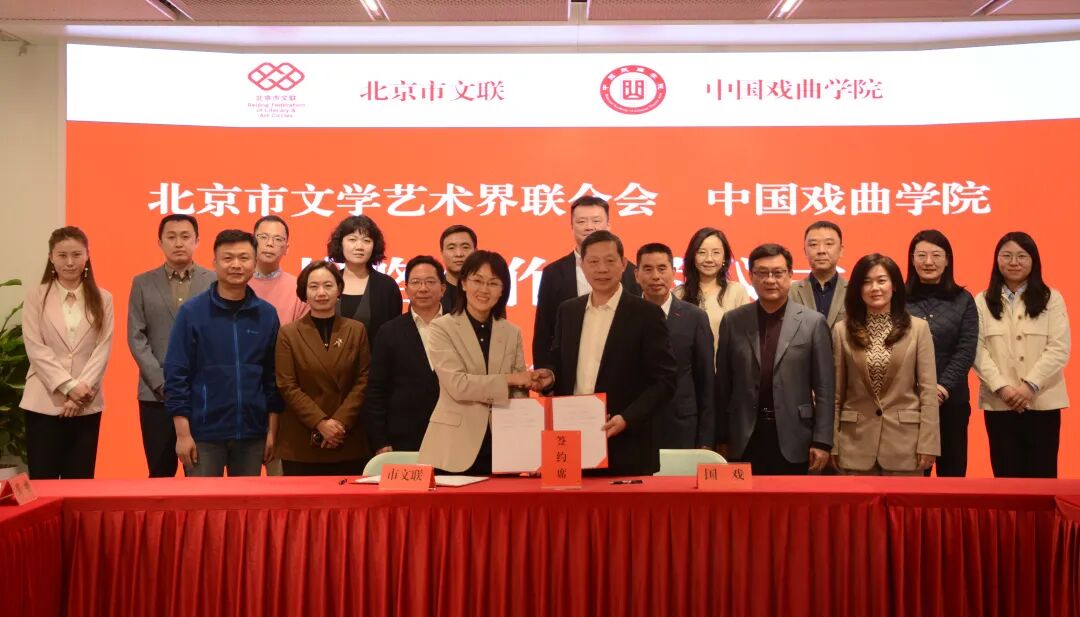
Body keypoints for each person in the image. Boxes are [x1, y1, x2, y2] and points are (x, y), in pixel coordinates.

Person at [541, 231, 677, 476]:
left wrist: (627, 418)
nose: (601, 269)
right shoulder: (568, 311)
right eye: (593, 261)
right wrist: (549, 376)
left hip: (626, 445)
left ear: (623, 264)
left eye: (610, 260)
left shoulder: (646, 314)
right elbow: (559, 364)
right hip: (571, 442)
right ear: (582, 266)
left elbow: (665, 381)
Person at [165, 230, 283, 477]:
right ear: (215, 263)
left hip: (252, 434)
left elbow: (273, 378)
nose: (236, 265)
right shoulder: (192, 312)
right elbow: (176, 376)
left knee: (246, 502)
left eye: (244, 258)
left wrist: (272, 431)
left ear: (254, 262)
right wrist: (182, 434)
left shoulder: (266, 314)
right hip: (203, 435)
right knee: (202, 502)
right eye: (228, 258)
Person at [713, 243, 833, 475]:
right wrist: (721, 436)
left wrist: (822, 441)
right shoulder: (733, 321)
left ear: (790, 275)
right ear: (751, 276)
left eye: (778, 273)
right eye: (762, 273)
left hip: (796, 435)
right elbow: (723, 385)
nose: (770, 280)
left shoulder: (813, 322)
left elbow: (825, 389)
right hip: (744, 435)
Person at [417, 251, 536, 475]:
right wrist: (510, 379)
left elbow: (519, 393)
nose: (484, 289)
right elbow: (458, 385)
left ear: (503, 290)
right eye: (477, 280)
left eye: (493, 283)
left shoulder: (512, 332)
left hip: (504, 446)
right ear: (463, 283)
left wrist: (527, 446)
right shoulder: (442, 327)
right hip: (454, 447)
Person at [20, 226, 114, 479]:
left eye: (76, 254)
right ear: (51, 257)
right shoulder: (35, 297)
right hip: (43, 401)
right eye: (62, 255)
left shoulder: (103, 298)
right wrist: (69, 386)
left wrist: (80, 392)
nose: (70, 262)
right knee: (44, 480)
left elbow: (102, 349)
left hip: (86, 403)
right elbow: (35, 348)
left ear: (87, 255)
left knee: (80, 480)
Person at [974, 232, 1070, 478]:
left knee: (1043, 479)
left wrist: (1029, 386)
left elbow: (1059, 348)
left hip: (1042, 403)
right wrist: (1002, 387)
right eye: (1006, 256)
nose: (1014, 262)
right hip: (1000, 403)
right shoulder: (982, 301)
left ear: (1033, 260)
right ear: (997, 260)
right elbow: (977, 351)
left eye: (1021, 256)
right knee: (1006, 479)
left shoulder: (1051, 298)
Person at [832, 254, 939, 476]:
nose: (875, 288)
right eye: (866, 282)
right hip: (855, 444)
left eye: (881, 280)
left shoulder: (918, 329)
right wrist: (832, 442)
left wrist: (929, 444)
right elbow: (836, 394)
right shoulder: (842, 331)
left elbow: (928, 392)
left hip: (905, 444)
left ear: (895, 286)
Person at [127, 214, 215, 478]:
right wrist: (160, 382)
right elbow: (136, 336)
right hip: (156, 395)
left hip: (200, 394)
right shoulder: (142, 282)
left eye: (185, 237)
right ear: (160, 242)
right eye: (171, 237)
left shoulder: (214, 282)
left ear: (197, 241)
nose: (178, 243)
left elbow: (217, 336)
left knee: (200, 474)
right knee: (159, 473)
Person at [274, 260, 371, 476]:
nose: (321, 293)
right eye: (314, 286)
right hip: (302, 440)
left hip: (346, 437)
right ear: (304, 293)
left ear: (339, 290)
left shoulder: (356, 330)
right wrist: (320, 423)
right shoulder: (289, 333)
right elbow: (287, 385)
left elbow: (363, 380)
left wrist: (339, 423)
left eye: (328, 285)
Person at [532, 196, 640, 369]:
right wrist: (545, 372)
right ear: (572, 226)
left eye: (596, 220)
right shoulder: (553, 273)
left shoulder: (630, 272)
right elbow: (544, 331)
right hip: (570, 368)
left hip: (622, 367)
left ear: (608, 225)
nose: (589, 226)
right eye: (581, 221)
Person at [905, 230, 978, 477]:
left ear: (947, 260)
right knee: (912, 478)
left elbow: (966, 348)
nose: (928, 262)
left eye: (936, 255)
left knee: (953, 477)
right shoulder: (897, 298)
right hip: (908, 402)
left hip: (952, 402)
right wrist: (920, 389)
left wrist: (941, 388)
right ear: (912, 259)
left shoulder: (963, 299)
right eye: (921, 255)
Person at [635, 242, 715, 450]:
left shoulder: (694, 317)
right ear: (636, 274)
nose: (655, 276)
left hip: (681, 425)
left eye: (662, 268)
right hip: (635, 425)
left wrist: (706, 438)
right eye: (647, 269)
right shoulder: (625, 316)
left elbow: (706, 380)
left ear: (673, 272)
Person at [363, 256, 446, 454]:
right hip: (403, 440)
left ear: (443, 288)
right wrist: (380, 441)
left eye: (430, 282)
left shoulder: (460, 327)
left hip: (453, 437)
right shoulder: (389, 332)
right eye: (416, 282)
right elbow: (376, 390)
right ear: (406, 288)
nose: (423, 288)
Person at [327, 215, 403, 344]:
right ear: (340, 243)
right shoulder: (328, 281)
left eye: (366, 241)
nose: (359, 246)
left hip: (375, 356)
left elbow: (395, 333)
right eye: (352, 239)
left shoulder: (386, 286)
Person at [674, 227, 751, 353]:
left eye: (716, 252)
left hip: (725, 365)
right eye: (701, 252)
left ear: (724, 258)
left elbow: (745, 339)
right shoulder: (678, 293)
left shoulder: (736, 291)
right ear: (692, 257)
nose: (709, 259)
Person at [249, 215, 308, 326]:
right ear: (252, 242)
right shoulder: (237, 282)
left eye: (278, 239)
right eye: (263, 237)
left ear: (286, 248)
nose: (270, 243)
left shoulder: (299, 288)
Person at [790, 220, 848, 329]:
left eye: (829, 244)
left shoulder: (854, 291)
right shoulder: (790, 292)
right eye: (814, 244)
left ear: (841, 250)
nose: (821, 250)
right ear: (805, 251)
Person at [438, 224, 476, 315]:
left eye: (465, 247)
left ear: (475, 251)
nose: (459, 254)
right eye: (451, 248)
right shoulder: (431, 292)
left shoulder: (485, 292)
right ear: (442, 253)